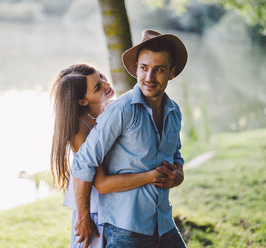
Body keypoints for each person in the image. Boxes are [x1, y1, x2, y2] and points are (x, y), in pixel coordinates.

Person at [71, 29, 188, 247]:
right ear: (136, 69)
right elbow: (83, 161)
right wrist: (83, 216)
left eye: (159, 70)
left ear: (171, 73)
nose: (149, 77)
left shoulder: (174, 111)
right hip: (127, 229)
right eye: (144, 68)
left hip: (163, 223)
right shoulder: (121, 111)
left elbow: (176, 154)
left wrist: (179, 174)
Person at [50, 64, 171, 248]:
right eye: (98, 87)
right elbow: (101, 183)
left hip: (123, 202)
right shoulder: (79, 129)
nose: (106, 85)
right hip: (97, 210)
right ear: (82, 101)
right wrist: (151, 176)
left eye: (102, 77)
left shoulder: (113, 110)